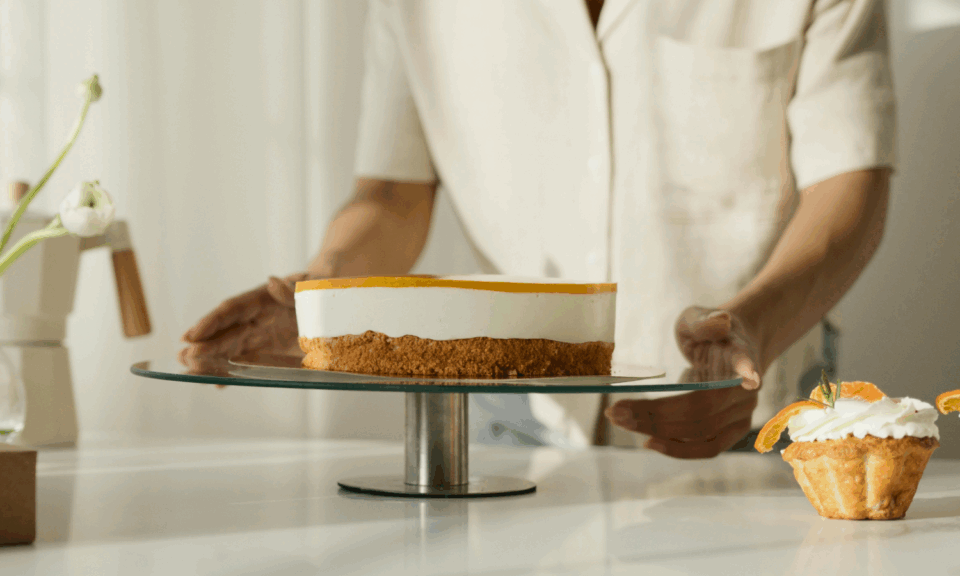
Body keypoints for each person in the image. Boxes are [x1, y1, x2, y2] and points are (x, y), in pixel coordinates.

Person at [181, 0, 894, 458]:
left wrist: (754, 329)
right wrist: (329, 296)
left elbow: (850, 180)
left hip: (754, 410)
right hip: (506, 418)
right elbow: (395, 193)